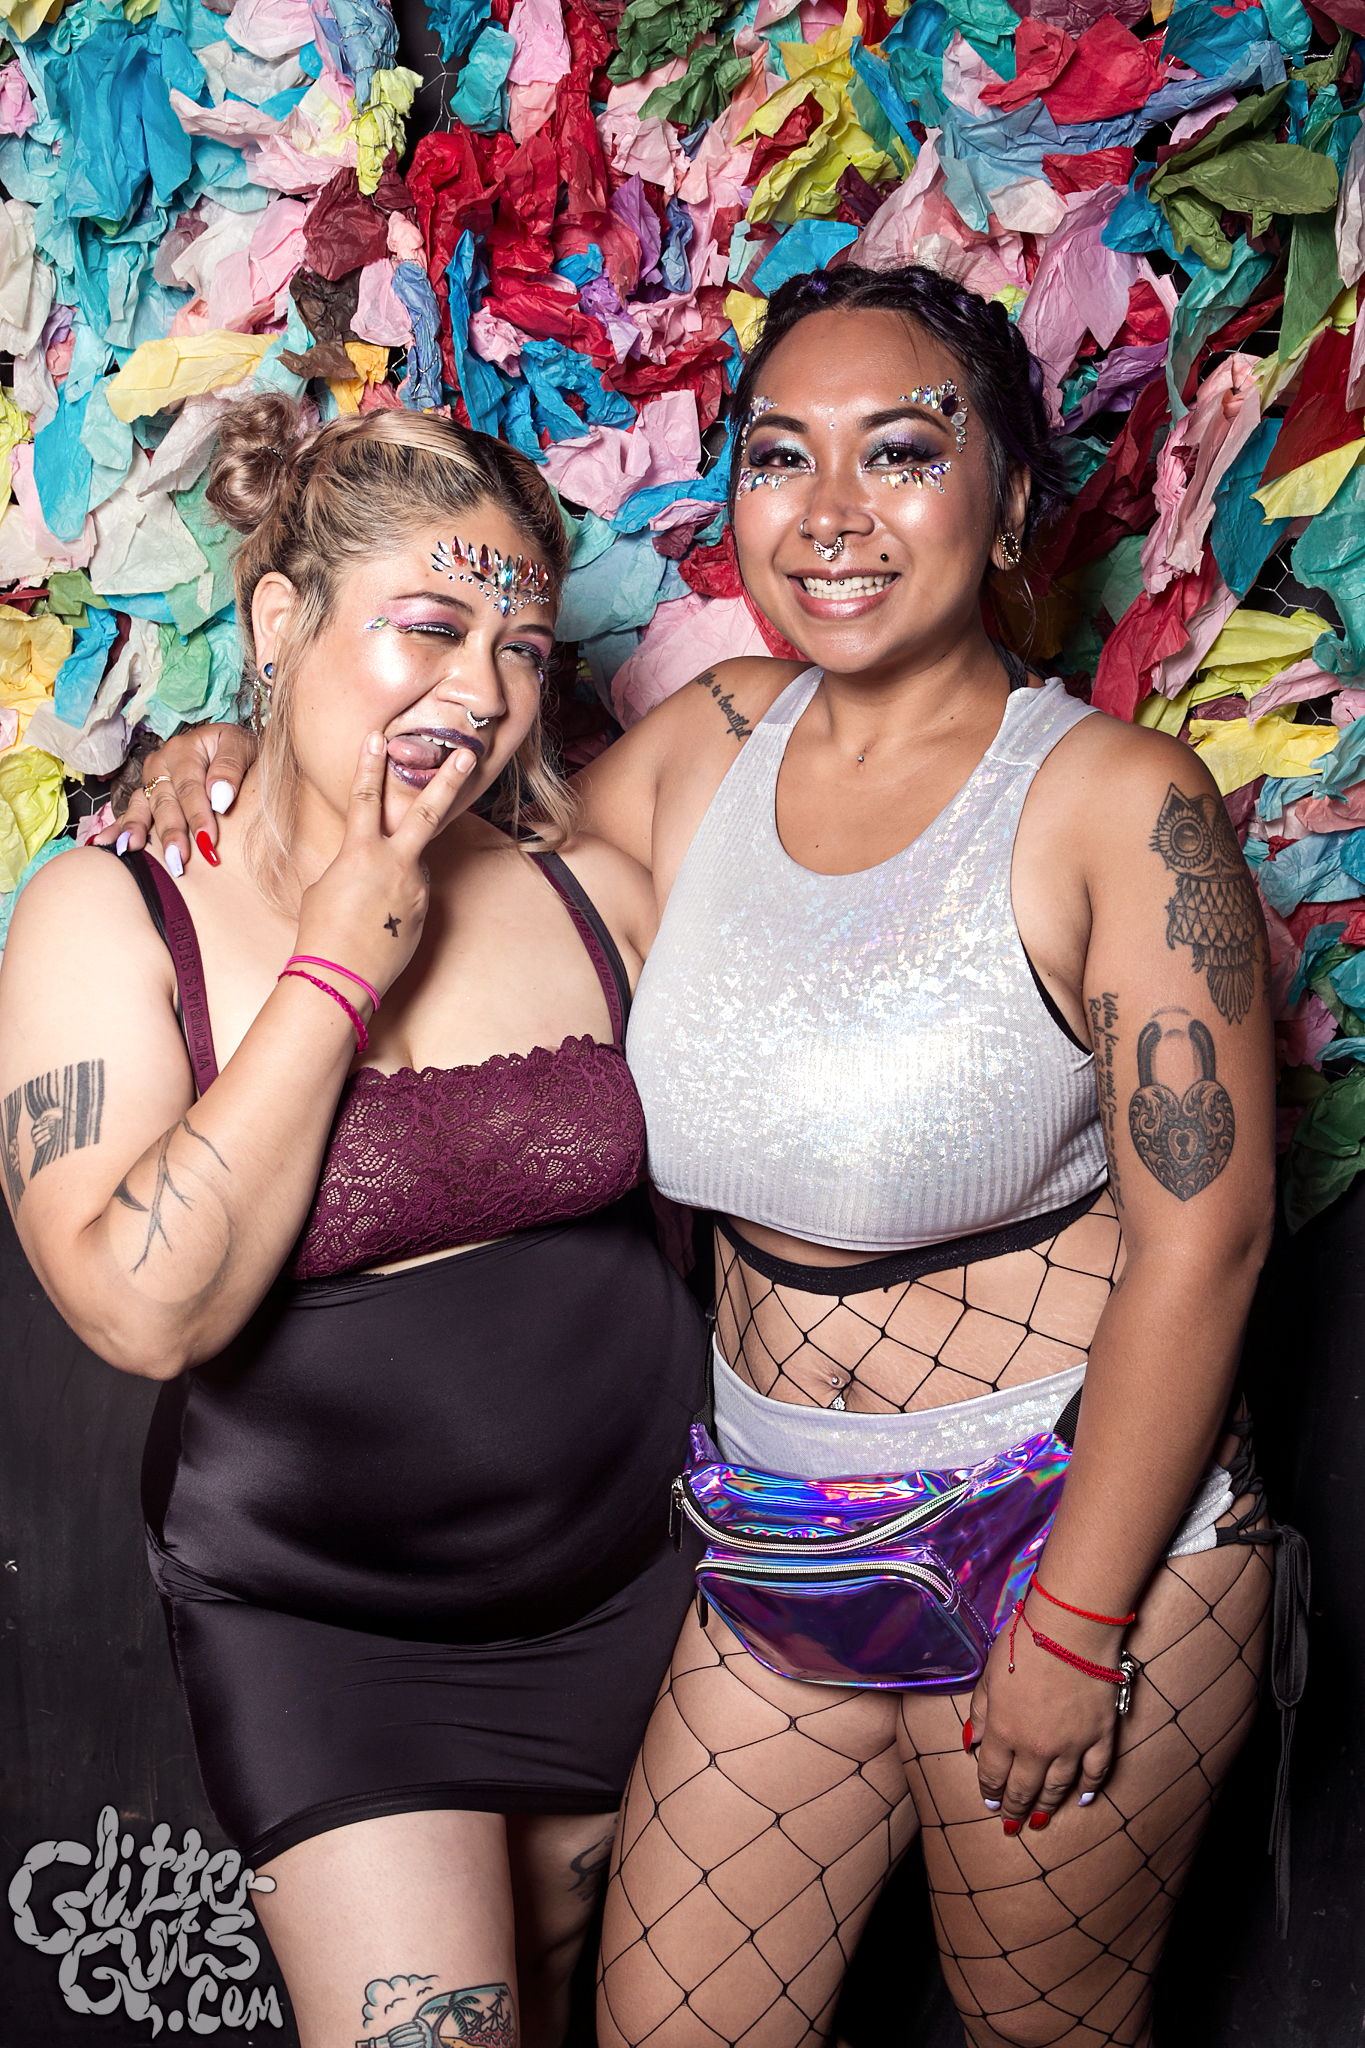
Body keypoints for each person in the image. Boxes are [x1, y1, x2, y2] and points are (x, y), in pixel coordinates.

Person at [109, 264, 1284, 2048]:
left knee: (1042, 2031)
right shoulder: (710, 745)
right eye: (779, 456)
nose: (832, 513)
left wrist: (1075, 1616)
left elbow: (1208, 1240)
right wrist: (238, 745)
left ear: (1011, 503)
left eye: (902, 453)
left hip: (1063, 1523)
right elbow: (475, 857)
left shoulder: (1122, 802)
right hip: (771, 1532)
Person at [0, 401, 710, 2048]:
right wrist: (337, 965)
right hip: (332, 1639)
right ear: (277, 621)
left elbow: (817, 702)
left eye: (520, 649)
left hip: (643, 1592)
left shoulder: (587, 890)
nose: (481, 692)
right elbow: (142, 1310)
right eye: (429, 626)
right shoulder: (110, 910)